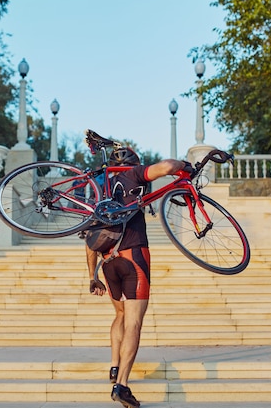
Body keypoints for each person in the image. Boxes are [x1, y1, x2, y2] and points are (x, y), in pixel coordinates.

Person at [86, 146, 190, 408]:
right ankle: (121, 385)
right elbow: (167, 167)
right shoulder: (134, 175)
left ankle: (113, 366)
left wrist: (91, 277)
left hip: (107, 263)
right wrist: (184, 166)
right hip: (134, 257)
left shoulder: (102, 192)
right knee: (133, 323)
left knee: (120, 316)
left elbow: (88, 242)